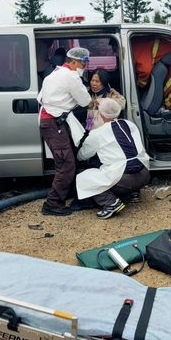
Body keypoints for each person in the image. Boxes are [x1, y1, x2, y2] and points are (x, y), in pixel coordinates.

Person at [37, 47, 92, 216]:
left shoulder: (53, 74)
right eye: (84, 62)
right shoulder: (71, 76)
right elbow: (85, 101)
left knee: (65, 161)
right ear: (74, 61)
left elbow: (41, 98)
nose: (85, 65)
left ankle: (65, 192)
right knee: (66, 165)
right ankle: (52, 204)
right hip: (55, 123)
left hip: (51, 121)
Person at [76, 98, 151, 220]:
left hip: (124, 181)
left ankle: (110, 203)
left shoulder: (98, 133)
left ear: (100, 114)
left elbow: (83, 155)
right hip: (144, 174)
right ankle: (134, 193)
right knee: (127, 161)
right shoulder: (129, 124)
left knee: (83, 177)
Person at [131, 35, 171, 113]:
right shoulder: (135, 43)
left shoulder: (135, 47)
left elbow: (145, 70)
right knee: (168, 98)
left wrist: (141, 85)